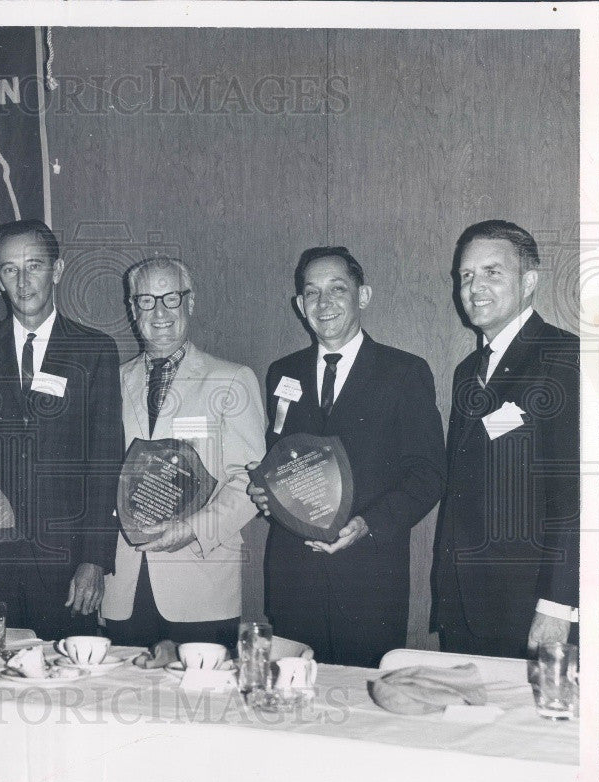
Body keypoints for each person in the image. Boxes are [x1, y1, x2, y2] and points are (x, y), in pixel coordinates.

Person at [247, 247, 445, 667]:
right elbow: (280, 462)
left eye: (338, 289)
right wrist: (265, 494)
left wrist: (368, 525)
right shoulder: (282, 373)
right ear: (300, 306)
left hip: (369, 579)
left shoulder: (404, 372)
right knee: (288, 708)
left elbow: (428, 474)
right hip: (292, 577)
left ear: (364, 296)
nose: (324, 303)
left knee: (359, 714)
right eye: (312, 293)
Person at [0, 219, 123, 640]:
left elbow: (105, 462)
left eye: (34, 266)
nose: (23, 282)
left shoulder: (94, 351)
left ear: (57, 271)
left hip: (66, 566)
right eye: (9, 269)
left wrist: (94, 560)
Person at [431, 220, 579, 658]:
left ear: (529, 281)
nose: (475, 286)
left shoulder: (562, 357)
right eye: (466, 276)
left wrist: (558, 604)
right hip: (464, 605)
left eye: (492, 272)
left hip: (530, 606)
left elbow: (575, 495)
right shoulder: (467, 370)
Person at [100, 257, 265, 649]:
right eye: (146, 300)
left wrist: (192, 530)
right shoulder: (111, 381)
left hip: (202, 584)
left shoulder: (232, 379)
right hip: (123, 585)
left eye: (170, 298)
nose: (159, 312)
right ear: (131, 308)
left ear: (190, 303)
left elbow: (248, 482)